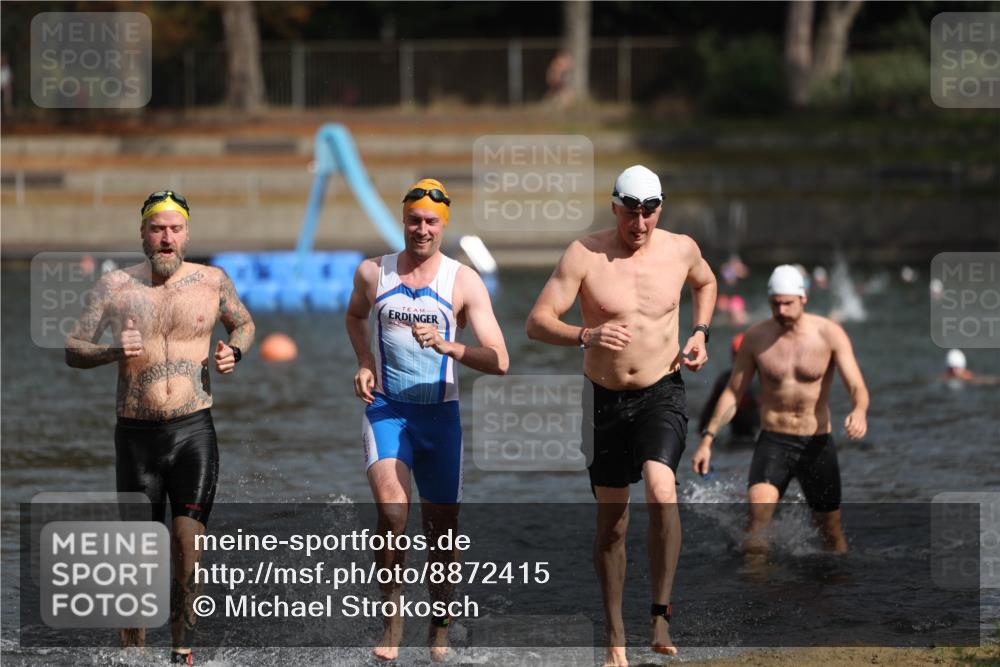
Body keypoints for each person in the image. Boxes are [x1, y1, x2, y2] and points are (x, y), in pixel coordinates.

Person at [526, 165, 717, 665]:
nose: (640, 224)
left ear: (660, 208)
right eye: (631, 213)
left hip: (661, 391)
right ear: (615, 208)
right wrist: (586, 335)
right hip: (603, 399)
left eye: (649, 212)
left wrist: (700, 333)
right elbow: (538, 322)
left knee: (661, 489)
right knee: (612, 526)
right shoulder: (585, 254)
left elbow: (707, 282)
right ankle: (614, 632)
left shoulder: (681, 248)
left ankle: (659, 612)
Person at [65, 190, 255, 664]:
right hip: (135, 436)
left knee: (187, 544)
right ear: (143, 234)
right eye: (157, 229)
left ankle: (181, 651)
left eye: (174, 229)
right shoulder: (114, 287)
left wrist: (236, 350)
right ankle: (133, 655)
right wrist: (112, 352)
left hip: (193, 431)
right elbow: (72, 348)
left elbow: (245, 324)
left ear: (187, 233)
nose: (166, 238)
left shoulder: (213, 281)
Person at [345, 178, 509, 662]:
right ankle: (392, 619)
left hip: (441, 417)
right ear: (403, 221)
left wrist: (449, 345)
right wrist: (364, 362)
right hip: (388, 410)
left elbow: (500, 359)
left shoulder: (462, 281)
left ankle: (439, 626)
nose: (422, 229)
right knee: (392, 512)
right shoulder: (373, 273)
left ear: (443, 226)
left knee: (443, 531)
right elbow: (355, 317)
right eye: (414, 220)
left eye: (431, 222)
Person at [693, 265, 868, 560]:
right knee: (757, 522)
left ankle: (837, 588)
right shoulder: (756, 338)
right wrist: (708, 439)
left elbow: (857, 386)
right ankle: (756, 590)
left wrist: (859, 410)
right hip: (774, 440)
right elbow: (733, 392)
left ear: (804, 298)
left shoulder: (829, 334)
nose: (782, 310)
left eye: (788, 303)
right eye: (775, 304)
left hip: (816, 442)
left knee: (830, 530)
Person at [697, 333, 759, 448]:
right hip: (737, 436)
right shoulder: (725, 380)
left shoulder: (762, 380)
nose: (739, 359)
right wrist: (704, 438)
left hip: (759, 436)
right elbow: (708, 412)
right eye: (736, 354)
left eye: (742, 354)